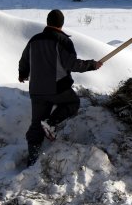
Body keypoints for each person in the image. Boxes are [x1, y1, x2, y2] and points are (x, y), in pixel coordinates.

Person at [18, 9, 100, 167]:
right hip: (56, 88)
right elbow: (72, 64)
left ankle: (32, 159)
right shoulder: (63, 41)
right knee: (72, 103)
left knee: (36, 124)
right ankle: (50, 122)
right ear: (61, 24)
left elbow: (24, 60)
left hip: (36, 90)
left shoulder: (34, 40)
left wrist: (23, 74)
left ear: (48, 22)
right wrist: (92, 65)